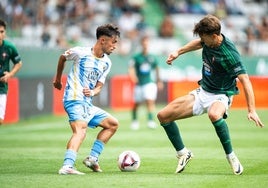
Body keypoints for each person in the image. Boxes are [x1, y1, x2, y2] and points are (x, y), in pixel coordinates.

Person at [157, 14, 264, 175]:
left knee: (214, 114)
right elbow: (198, 43)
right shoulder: (209, 40)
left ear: (214, 36)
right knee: (163, 116)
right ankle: (183, 153)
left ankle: (231, 156)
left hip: (222, 94)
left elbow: (246, 80)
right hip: (203, 92)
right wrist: (178, 51)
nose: (202, 40)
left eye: (204, 37)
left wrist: (252, 110)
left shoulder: (230, 55)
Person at [53, 24, 120, 175]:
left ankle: (92, 159)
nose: (115, 46)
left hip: (86, 103)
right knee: (81, 130)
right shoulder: (80, 52)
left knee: (112, 124)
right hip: (73, 98)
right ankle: (67, 166)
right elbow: (63, 57)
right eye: (113, 42)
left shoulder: (107, 63)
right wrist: (57, 80)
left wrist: (93, 92)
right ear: (103, 40)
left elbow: (99, 87)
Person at [128, 35, 163, 130]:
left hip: (149, 82)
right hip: (139, 83)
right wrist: (133, 77)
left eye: (147, 43)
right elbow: (131, 68)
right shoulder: (136, 57)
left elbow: (157, 69)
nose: (145, 45)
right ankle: (134, 121)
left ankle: (150, 121)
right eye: (143, 43)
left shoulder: (152, 57)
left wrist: (159, 80)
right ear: (141, 44)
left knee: (150, 101)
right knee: (137, 103)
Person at [0, 19, 22, 125]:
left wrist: (10, 74)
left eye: (2, 31)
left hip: (2, 87)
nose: (0, 34)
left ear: (5, 32)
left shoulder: (9, 47)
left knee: (0, 120)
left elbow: (19, 63)